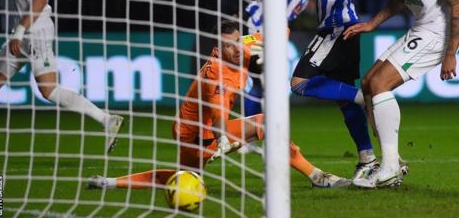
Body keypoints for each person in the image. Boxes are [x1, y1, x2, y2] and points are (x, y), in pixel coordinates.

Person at [87, 19, 350, 189]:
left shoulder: (246, 45)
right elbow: (219, 115)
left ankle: (317, 177)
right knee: (185, 181)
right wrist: (223, 138)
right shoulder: (218, 75)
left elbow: (283, 30)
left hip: (193, 127)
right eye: (227, 46)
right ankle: (112, 182)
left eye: (237, 41)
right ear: (218, 47)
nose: (235, 50)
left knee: (266, 126)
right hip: (196, 136)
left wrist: (266, 47)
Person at [344, 0, 459, 187]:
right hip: (421, 29)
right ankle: (393, 162)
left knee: (380, 84)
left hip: (438, 35)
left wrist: (450, 53)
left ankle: (388, 168)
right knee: (367, 85)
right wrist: (373, 23)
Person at [0, 0, 123, 153]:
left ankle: (106, 119)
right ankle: (107, 120)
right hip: (19, 34)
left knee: (48, 90)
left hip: (35, 32)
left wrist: (21, 30)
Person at [285, 0, 387, 180]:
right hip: (338, 29)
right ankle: (367, 157)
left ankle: (361, 95)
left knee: (300, 83)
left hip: (339, 28)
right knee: (343, 102)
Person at [243, 0, 310, 117]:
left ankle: (252, 130)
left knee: (258, 84)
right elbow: (280, 19)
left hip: (250, 24)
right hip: (258, 31)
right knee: (262, 85)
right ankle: (255, 130)